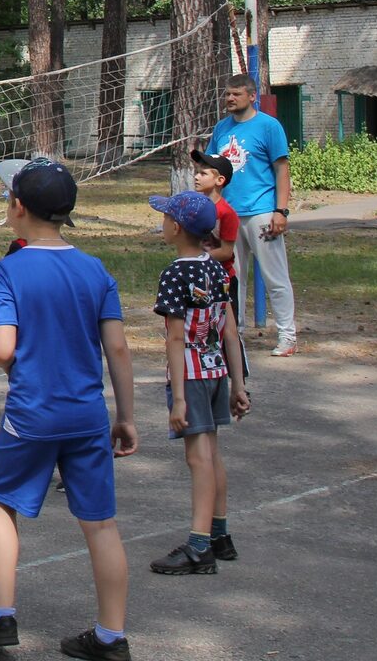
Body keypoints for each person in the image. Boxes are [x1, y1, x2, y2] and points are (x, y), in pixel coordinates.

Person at [0, 158, 137, 661]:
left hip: (33, 412)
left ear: (18, 208)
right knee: (101, 523)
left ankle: (3, 618)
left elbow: (3, 349)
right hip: (88, 414)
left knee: (1, 502)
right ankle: (111, 636)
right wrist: (126, 416)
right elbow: (119, 350)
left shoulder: (9, 270)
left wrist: (23, 372)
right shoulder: (95, 270)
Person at [147, 190, 250, 575]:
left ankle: (198, 546)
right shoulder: (216, 270)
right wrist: (238, 385)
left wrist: (177, 399)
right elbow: (229, 330)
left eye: (165, 218)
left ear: (176, 228)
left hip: (190, 372)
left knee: (198, 457)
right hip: (217, 370)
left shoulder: (175, 273)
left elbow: (176, 337)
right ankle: (220, 534)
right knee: (212, 453)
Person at [205, 73, 298, 356]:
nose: (230, 99)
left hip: (260, 212)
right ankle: (234, 334)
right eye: (228, 94)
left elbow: (282, 169)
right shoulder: (221, 129)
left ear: (252, 96)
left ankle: (287, 336)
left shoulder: (269, 127)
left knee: (275, 277)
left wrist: (280, 211)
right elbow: (211, 169)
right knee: (231, 278)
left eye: (236, 94)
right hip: (228, 215)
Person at [191, 148, 248, 378]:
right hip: (199, 279)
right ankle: (207, 373)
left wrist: (196, 257)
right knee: (202, 329)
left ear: (219, 180)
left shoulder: (226, 213)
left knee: (228, 331)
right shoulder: (195, 206)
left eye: (203, 173)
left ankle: (239, 378)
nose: (196, 176)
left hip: (222, 281)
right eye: (196, 172)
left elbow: (225, 251)